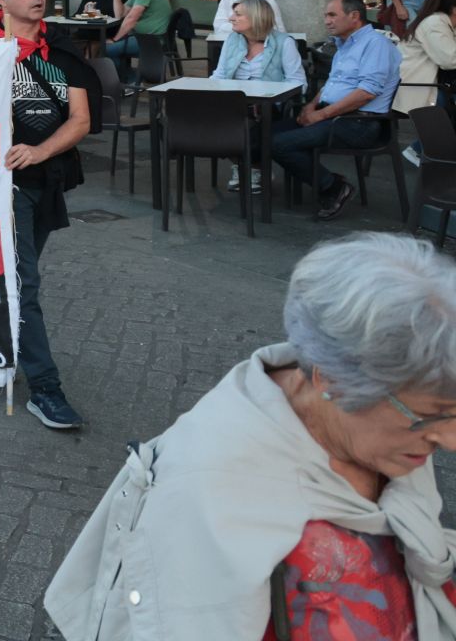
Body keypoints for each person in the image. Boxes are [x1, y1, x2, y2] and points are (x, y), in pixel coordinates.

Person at [46, 233, 456, 640]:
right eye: (429, 416)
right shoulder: (208, 494)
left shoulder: (395, 417)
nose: (450, 440)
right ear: (331, 380)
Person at [0, 0, 90, 430]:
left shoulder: (63, 51)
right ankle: (46, 388)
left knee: (20, 279)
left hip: (48, 182)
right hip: (1, 187)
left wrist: (40, 153)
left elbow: (81, 120)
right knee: (24, 285)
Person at [268, 0, 403, 221]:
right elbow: (333, 84)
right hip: (335, 115)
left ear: (354, 16)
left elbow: (367, 92)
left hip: (360, 123)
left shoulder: (375, 44)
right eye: (325, 15)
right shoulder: (344, 44)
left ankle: (333, 187)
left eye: (332, 15)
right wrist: (310, 107)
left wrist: (321, 115)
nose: (327, 21)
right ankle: (264, 183)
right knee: (264, 133)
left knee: (279, 144)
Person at [211, 0, 305, 195]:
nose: (230, 18)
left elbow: (298, 83)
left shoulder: (284, 43)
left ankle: (254, 167)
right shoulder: (232, 40)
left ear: (255, 18)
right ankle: (245, 164)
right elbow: (219, 74)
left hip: (270, 105)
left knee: (250, 117)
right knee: (201, 117)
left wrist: (270, 97)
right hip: (234, 101)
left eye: (237, 14)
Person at [398, 0, 456, 169]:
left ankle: (433, 151)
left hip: (429, 83)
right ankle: (419, 150)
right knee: (452, 104)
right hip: (413, 86)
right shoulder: (435, 24)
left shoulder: (445, 24)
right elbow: (449, 59)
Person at [102, 0, 174, 83]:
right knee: (109, 48)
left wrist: (115, 39)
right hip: (146, 38)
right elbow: (121, 14)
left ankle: (131, 80)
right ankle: (131, 78)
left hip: (151, 41)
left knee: (106, 49)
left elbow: (131, 18)